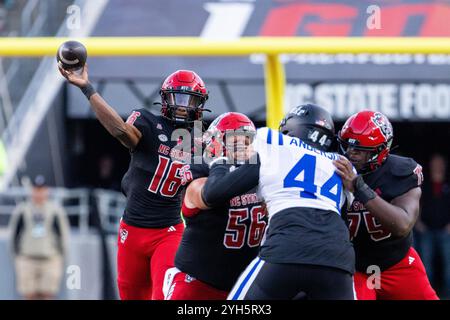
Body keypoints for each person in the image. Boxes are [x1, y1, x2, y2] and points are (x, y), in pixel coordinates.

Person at [59, 65, 210, 300]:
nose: (182, 106)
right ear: (165, 98)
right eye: (177, 98)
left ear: (199, 104)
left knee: (165, 294)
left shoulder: (202, 141)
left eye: (188, 100)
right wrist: (87, 88)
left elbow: (225, 175)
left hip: (168, 231)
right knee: (131, 295)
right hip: (132, 230)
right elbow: (120, 131)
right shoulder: (148, 123)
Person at [198, 104, 355, 300]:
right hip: (337, 257)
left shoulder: (272, 142)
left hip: (287, 246)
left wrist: (219, 162)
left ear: (291, 127)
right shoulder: (341, 164)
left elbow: (213, 194)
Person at [334, 110, 438, 300]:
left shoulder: (401, 171)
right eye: (347, 146)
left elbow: (403, 224)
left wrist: (358, 187)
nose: (350, 153)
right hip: (353, 267)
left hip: (397, 263)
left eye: (359, 150)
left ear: (379, 151)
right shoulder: (331, 168)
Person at [163, 112, 267, 300]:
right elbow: (211, 194)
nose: (242, 148)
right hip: (197, 283)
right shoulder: (200, 169)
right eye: (234, 142)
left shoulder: (265, 174)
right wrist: (220, 163)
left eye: (247, 142)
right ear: (215, 144)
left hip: (243, 288)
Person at [9, 175, 70, 299]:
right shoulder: (22, 210)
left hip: (50, 259)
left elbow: (63, 236)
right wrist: (17, 257)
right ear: (32, 190)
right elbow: (14, 236)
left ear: (46, 191)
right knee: (29, 295)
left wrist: (61, 257)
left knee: (47, 294)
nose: (39, 193)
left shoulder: (55, 211)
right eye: (36, 189)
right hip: (27, 259)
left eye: (42, 189)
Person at [415, 153, 450, 298]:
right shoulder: (424, 184)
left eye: (440, 163)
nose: (437, 166)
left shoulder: (448, 183)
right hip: (426, 231)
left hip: (446, 231)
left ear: (444, 165)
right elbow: (415, 204)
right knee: (425, 265)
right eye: (434, 163)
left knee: (448, 265)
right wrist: (417, 223)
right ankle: (428, 295)